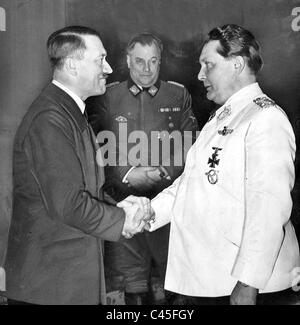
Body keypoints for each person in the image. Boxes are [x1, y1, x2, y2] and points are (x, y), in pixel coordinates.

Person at [141, 24, 300, 305]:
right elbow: (192, 185)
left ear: (237, 64)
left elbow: (269, 208)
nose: (200, 75)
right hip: (212, 281)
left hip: (246, 287)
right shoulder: (221, 117)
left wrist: (249, 283)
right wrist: (145, 214)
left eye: (208, 65)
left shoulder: (266, 119)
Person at [4, 26, 150, 305]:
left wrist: (118, 208)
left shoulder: (67, 112)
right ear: (72, 64)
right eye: (100, 59)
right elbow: (68, 204)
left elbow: (82, 189)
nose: (107, 68)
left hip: (64, 282)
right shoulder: (50, 119)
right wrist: (122, 220)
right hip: (49, 287)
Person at [86, 32, 199, 304]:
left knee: (175, 282)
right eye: (139, 62)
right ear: (128, 61)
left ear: (160, 61)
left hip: (167, 204)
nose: (147, 69)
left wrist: (165, 171)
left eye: (153, 62)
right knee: (131, 285)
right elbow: (96, 143)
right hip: (122, 203)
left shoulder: (178, 93)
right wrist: (127, 172)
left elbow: (191, 141)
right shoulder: (108, 95)